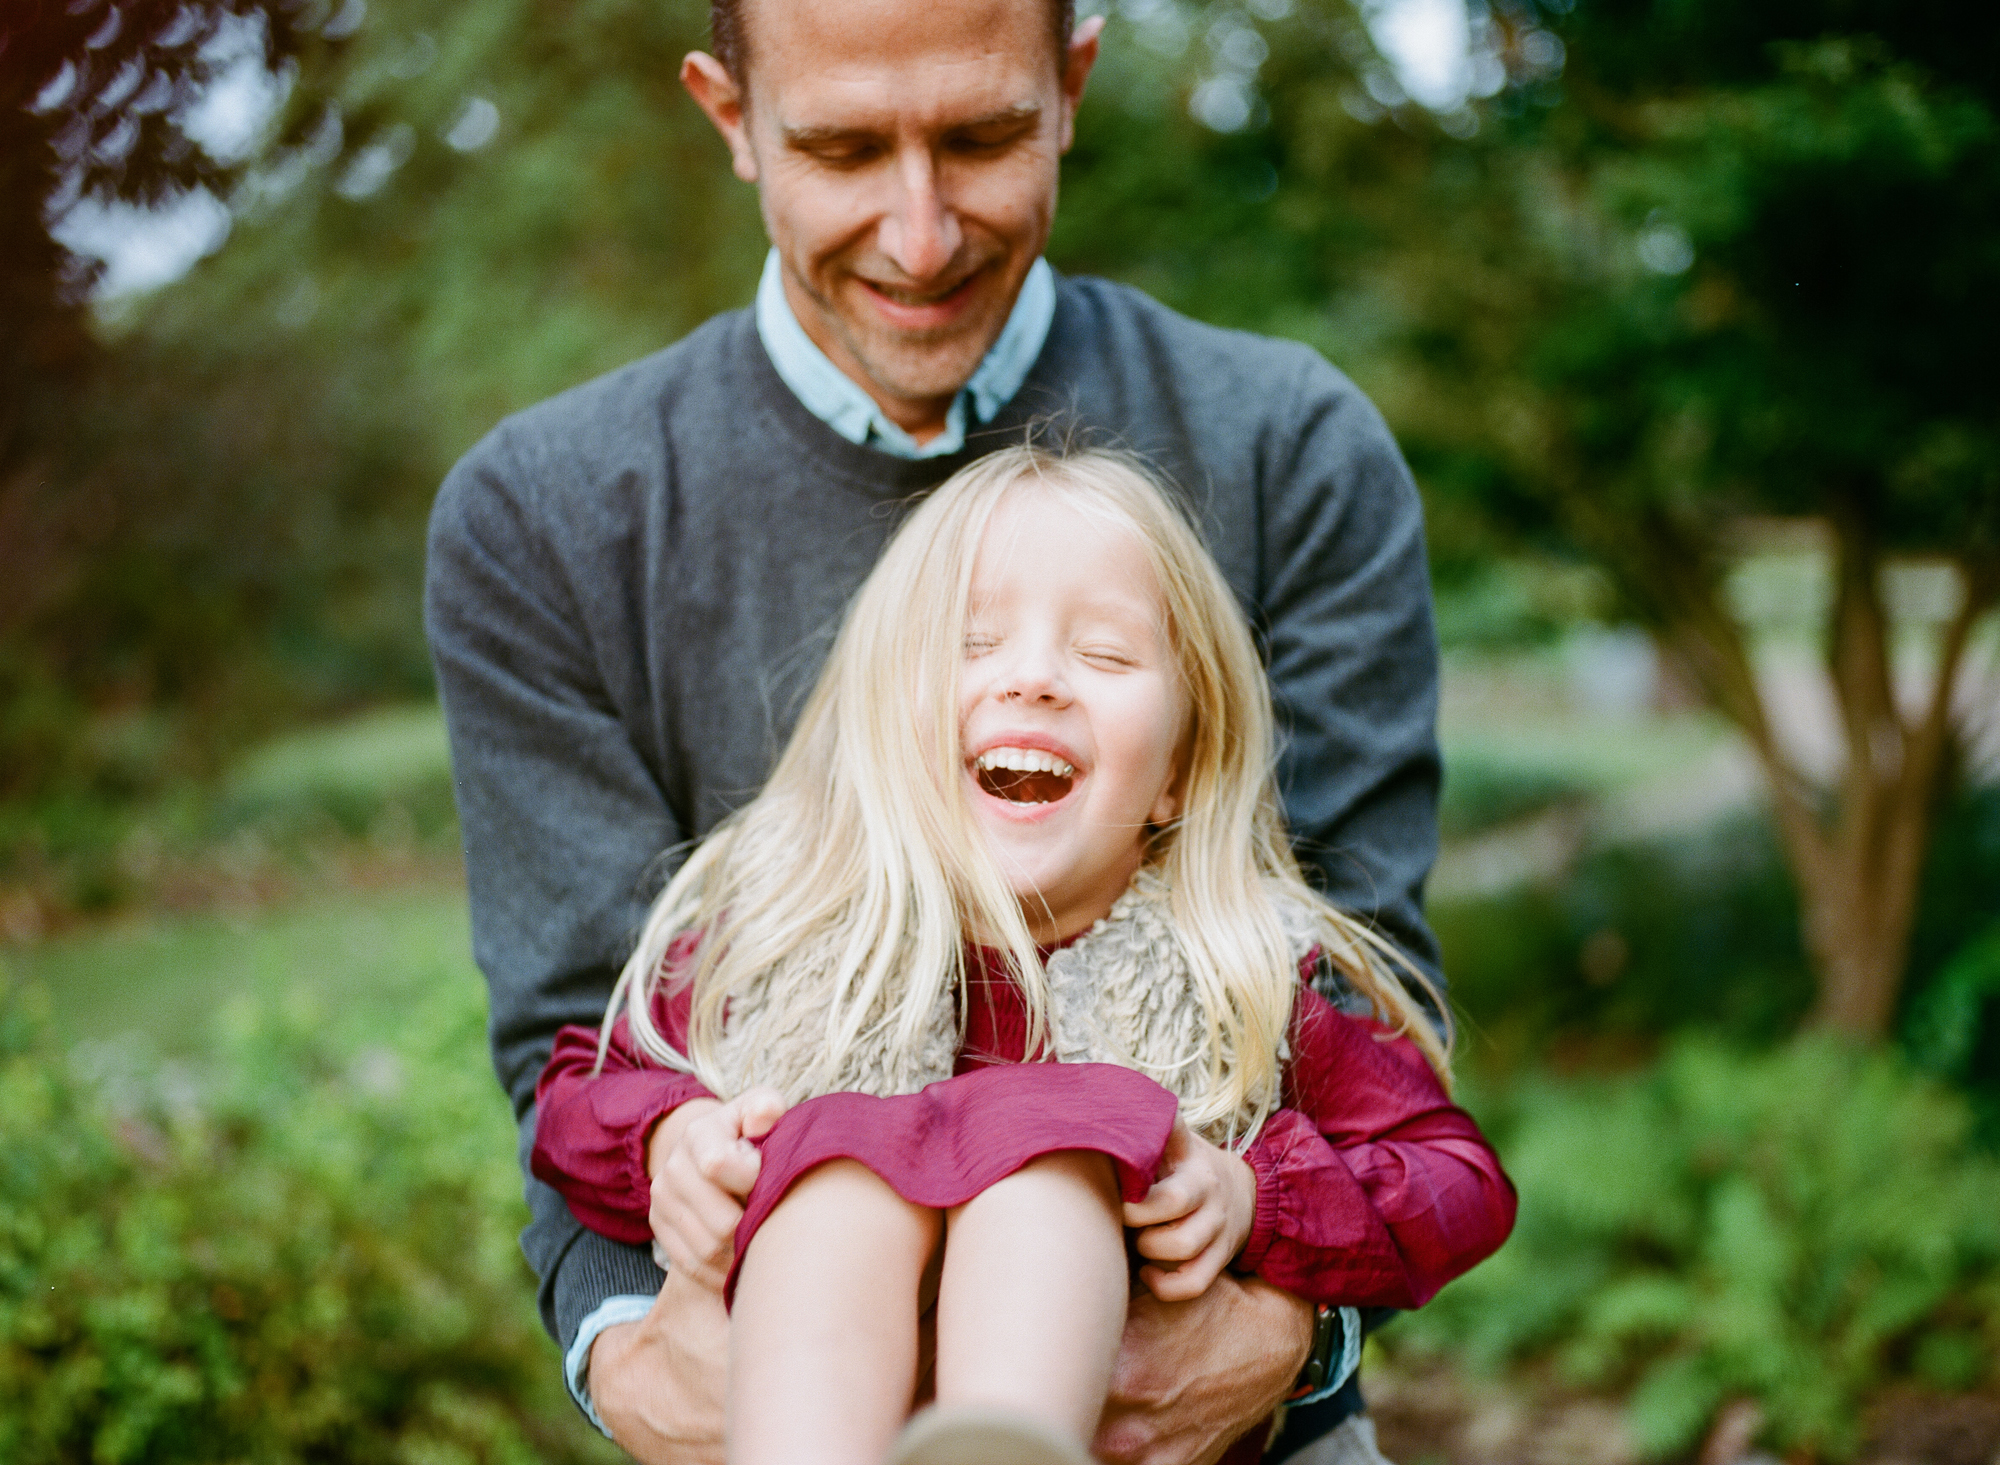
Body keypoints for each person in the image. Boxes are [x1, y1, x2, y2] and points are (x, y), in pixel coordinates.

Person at [424, 0, 1450, 1457]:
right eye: (842, 149)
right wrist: (627, 1353)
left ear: (1072, 88)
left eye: (980, 139)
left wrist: (1289, 1333)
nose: (919, 236)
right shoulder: (543, 518)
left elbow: (1365, 979)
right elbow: (581, 1036)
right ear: (729, 117)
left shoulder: (1289, 447)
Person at [530, 447, 1513, 1465]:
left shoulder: (1239, 980)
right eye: (971, 641)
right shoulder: (776, 947)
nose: (1034, 678)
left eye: (1105, 653)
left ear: (1173, 770)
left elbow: (1455, 1176)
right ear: (881, 723)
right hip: (819, 1390)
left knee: (1046, 1161)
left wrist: (1258, 1198)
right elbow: (569, 1096)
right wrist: (667, 1141)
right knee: (834, 1178)